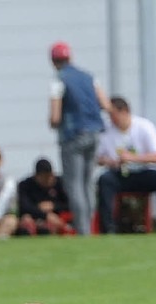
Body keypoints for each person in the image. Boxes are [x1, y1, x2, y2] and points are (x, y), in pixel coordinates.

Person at [49, 41, 111, 236]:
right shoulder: (90, 77)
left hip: (72, 136)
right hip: (94, 133)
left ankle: (82, 229)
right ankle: (90, 225)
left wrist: (54, 123)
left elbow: (55, 116)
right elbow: (105, 104)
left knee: (74, 184)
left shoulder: (58, 81)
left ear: (53, 61)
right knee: (87, 182)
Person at [96, 97, 156, 234]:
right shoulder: (106, 130)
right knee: (104, 180)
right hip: (119, 173)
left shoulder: (144, 126)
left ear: (125, 112)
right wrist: (112, 161)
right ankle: (108, 227)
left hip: (143, 172)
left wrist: (135, 158)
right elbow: (98, 158)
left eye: (114, 114)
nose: (112, 119)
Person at [17, 158, 74, 236]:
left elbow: (70, 204)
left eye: (50, 176)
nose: (48, 180)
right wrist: (45, 215)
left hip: (58, 218)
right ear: (36, 176)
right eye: (44, 177)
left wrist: (54, 206)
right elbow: (24, 207)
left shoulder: (61, 183)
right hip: (34, 217)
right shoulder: (25, 185)